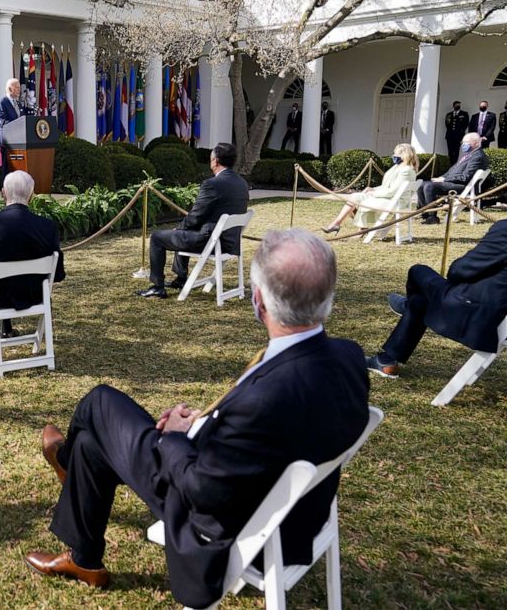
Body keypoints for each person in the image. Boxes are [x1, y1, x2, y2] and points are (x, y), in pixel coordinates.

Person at [25, 230, 369, 608]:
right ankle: (84, 558)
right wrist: (201, 427)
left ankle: (65, 461)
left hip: (218, 516)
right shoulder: (347, 357)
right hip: (292, 510)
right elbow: (263, 433)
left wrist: (175, 437)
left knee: (99, 403)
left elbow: (200, 489)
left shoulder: (264, 400)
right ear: (328, 297)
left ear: (258, 299)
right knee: (93, 446)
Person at [366, 219, 507, 378]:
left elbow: (460, 270)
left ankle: (407, 307)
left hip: (474, 314)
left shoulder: (505, 228)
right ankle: (387, 361)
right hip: (494, 314)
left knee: (418, 271)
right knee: (420, 301)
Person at [136, 143, 249, 299]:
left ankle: (157, 287)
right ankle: (181, 278)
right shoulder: (241, 183)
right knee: (185, 229)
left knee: (157, 237)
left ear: (215, 161)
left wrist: (179, 229)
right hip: (230, 242)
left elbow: (195, 216)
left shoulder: (212, 184)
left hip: (210, 241)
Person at [0, 170, 65, 337]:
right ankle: (7, 328)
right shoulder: (48, 226)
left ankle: (5, 328)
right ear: (31, 195)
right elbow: (58, 274)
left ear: (3, 194)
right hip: (36, 295)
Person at [322, 143, 417, 234]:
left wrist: (374, 193)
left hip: (395, 201)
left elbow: (392, 191)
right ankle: (348, 226)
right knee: (354, 198)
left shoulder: (406, 171)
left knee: (355, 199)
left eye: (397, 154)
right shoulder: (399, 167)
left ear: (405, 155)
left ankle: (342, 225)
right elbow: (387, 186)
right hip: (391, 198)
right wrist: (373, 189)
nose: (394, 156)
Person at [418, 132, 487, 225]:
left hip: (464, 186)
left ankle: (432, 217)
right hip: (455, 182)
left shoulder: (478, 156)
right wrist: (442, 177)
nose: (463, 145)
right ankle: (425, 214)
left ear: (476, 143)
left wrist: (445, 180)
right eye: (463, 142)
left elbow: (465, 177)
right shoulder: (468, 154)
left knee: (429, 186)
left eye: (466, 142)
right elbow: (453, 169)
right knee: (422, 184)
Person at [0, 78, 22, 189]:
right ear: (9, 89)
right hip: (7, 141)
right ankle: (5, 189)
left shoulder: (17, 103)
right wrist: (17, 124)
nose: (19, 90)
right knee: (6, 168)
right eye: (16, 87)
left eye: (19, 87)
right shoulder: (3, 102)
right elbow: (2, 121)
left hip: (18, 140)